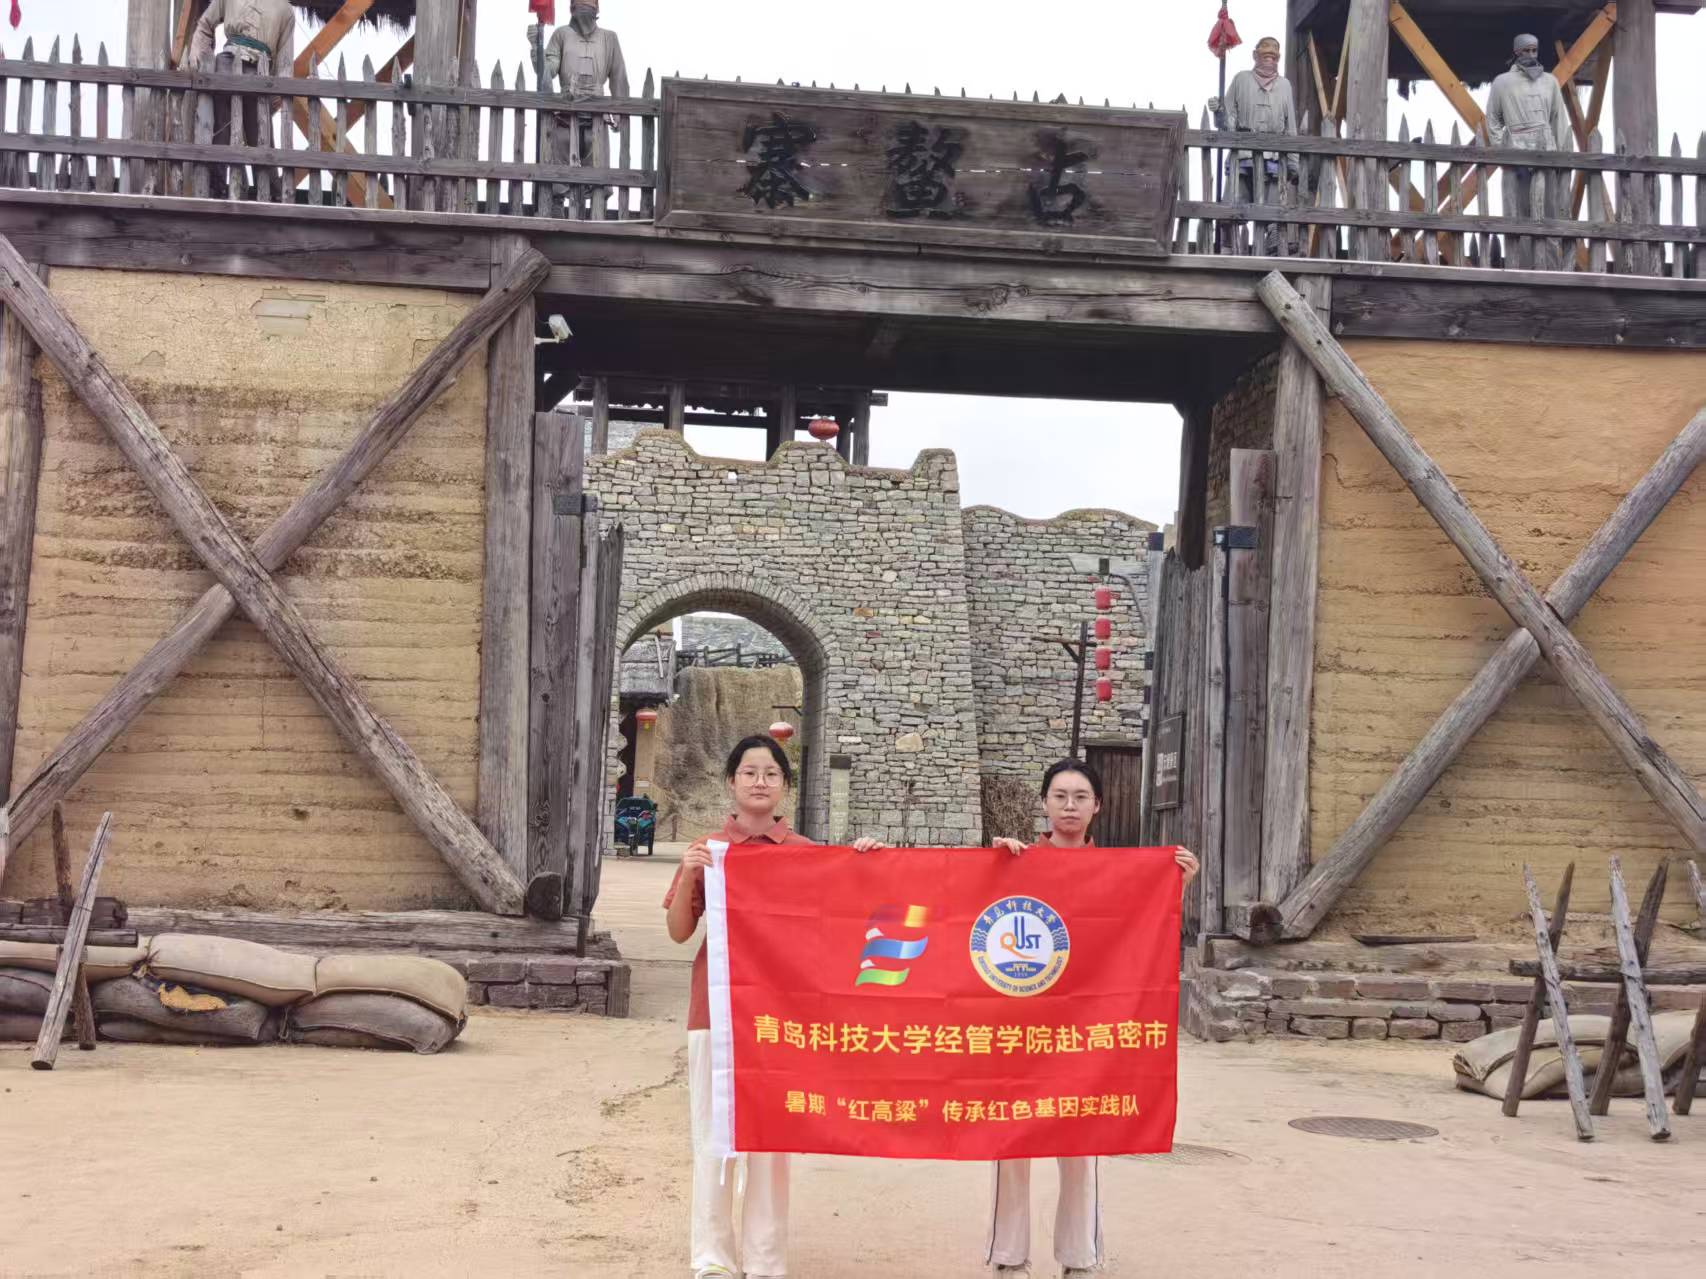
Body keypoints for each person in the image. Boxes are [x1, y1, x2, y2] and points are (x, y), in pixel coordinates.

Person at [665, 733, 883, 1279]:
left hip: (782, 1017)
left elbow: (845, 921)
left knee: (772, 1140)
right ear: (731, 782)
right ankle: (713, 1259)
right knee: (713, 1136)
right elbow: (679, 932)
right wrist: (690, 872)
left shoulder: (807, 854)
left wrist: (862, 862)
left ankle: (765, 1260)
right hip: (716, 1011)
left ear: (785, 785)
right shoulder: (709, 851)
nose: (759, 782)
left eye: (771, 774)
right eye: (749, 772)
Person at [986, 757, 1199, 1279]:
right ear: (1043, 803)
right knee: (1011, 1140)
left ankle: (1078, 1257)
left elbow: (1144, 929)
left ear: (1097, 806)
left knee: (1081, 1141)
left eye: (1080, 797)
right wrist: (995, 866)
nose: (1069, 806)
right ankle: (1009, 1256)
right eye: (1059, 796)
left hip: (1083, 1028)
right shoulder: (1017, 862)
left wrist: (1176, 886)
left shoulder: (1117, 871)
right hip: (1021, 1025)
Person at [1486, 33, 1572, 268]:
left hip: (1547, 153)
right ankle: (1522, 268)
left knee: (1549, 215)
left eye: (1534, 50)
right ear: (1517, 52)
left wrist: (1561, 155)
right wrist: (1504, 152)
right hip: (1518, 155)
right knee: (1519, 215)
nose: (1531, 55)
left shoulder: (1550, 82)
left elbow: (1558, 120)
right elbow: (1493, 121)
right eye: (1526, 50)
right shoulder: (1502, 82)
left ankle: (1551, 269)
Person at [1208, 34, 1298, 254]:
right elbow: (1227, 123)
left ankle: (1274, 249)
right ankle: (1228, 248)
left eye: (1274, 56)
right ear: (1255, 55)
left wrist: (1293, 161)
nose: (1270, 59)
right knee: (1232, 205)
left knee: (1274, 211)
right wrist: (1219, 111)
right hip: (1243, 154)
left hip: (1274, 156)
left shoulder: (1285, 85)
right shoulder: (1241, 79)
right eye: (1265, 55)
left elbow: (1291, 126)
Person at [544, 0, 630, 214]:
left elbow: (618, 76)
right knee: (559, 167)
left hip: (596, 113)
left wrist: (620, 111)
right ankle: (557, 209)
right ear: (572, 9)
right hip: (566, 111)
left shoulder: (609, 38)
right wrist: (537, 52)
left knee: (598, 168)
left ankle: (597, 211)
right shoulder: (562, 34)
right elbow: (548, 70)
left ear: (597, 9)